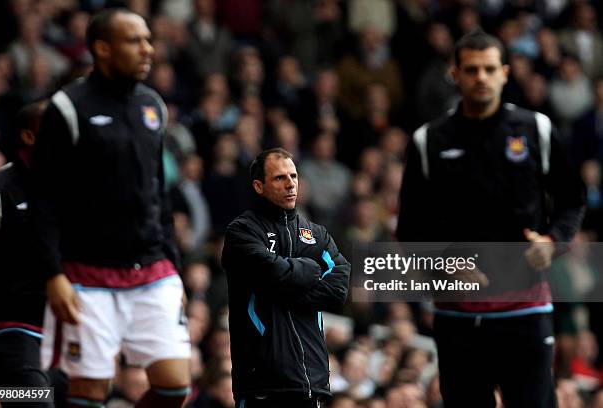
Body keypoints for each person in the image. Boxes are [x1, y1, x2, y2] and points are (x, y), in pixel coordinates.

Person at [396, 30, 585, 408]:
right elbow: (410, 231)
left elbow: (572, 198)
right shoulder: (427, 141)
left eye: (488, 69)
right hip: (457, 315)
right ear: (455, 74)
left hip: (526, 308)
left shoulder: (536, 129)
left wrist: (554, 242)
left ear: (505, 73)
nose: (480, 77)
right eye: (470, 69)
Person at [30, 8, 190, 408]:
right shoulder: (67, 107)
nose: (147, 49)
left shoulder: (153, 106)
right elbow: (44, 198)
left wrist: (174, 266)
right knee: (88, 395)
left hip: (152, 271)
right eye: (134, 41)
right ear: (102, 49)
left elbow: (159, 193)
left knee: (174, 388)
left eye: (148, 39)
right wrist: (53, 274)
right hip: (87, 276)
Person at [222, 148, 351, 407]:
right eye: (280, 178)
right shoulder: (242, 231)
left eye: (294, 176)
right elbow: (269, 271)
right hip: (262, 382)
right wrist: (311, 270)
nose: (291, 184)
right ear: (259, 186)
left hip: (311, 381)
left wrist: (284, 285)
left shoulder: (317, 234)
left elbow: (339, 289)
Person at [0, 101, 52, 403]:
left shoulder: (84, 188)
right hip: (14, 331)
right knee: (31, 400)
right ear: (28, 137)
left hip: (67, 336)